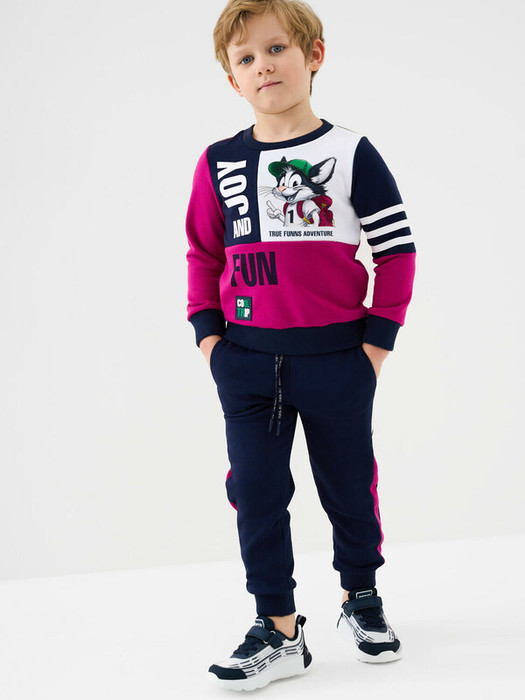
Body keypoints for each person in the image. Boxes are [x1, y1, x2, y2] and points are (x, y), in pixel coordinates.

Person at [185, 0, 416, 690]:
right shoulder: (220, 162)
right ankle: (278, 629)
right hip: (246, 362)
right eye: (246, 58)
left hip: (338, 359)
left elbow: (396, 251)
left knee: (349, 486)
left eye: (277, 48)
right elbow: (203, 254)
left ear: (314, 55)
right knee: (255, 493)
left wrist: (374, 347)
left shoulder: (350, 153)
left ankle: (361, 596)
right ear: (232, 79)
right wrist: (210, 341)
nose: (263, 66)